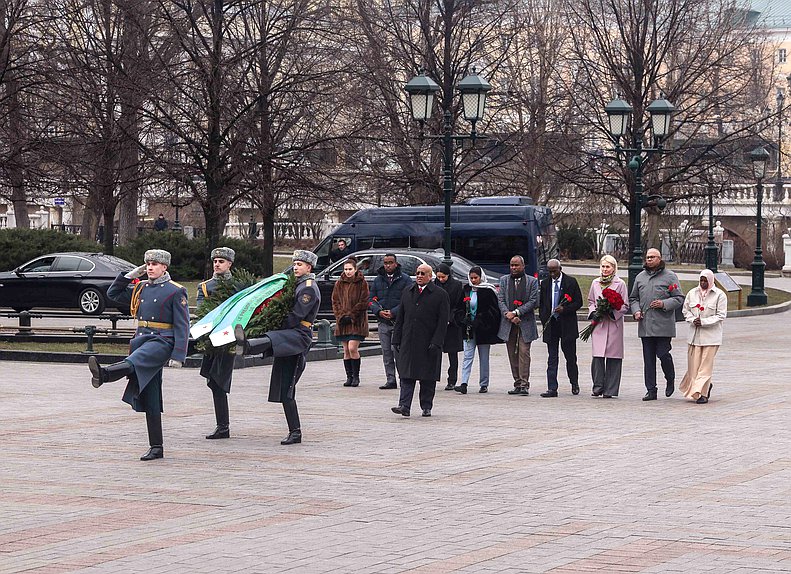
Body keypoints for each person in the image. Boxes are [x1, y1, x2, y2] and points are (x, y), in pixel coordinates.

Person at [89, 249, 190, 461]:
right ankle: (156, 447)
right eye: (148, 264)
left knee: (136, 360)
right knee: (150, 395)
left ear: (165, 267)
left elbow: (182, 325)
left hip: (162, 340)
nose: (150, 268)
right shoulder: (142, 287)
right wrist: (128, 276)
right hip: (142, 339)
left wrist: (179, 354)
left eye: (155, 264)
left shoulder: (175, 291)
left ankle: (106, 375)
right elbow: (112, 295)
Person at [234, 250, 321, 445]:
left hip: (298, 335)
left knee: (287, 388)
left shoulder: (308, 288)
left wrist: (271, 323)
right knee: (284, 390)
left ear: (309, 267)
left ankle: (247, 346)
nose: (296, 267)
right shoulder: (295, 285)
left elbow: (296, 315)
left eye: (300, 264)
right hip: (289, 335)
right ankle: (246, 345)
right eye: (295, 264)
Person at [391, 264, 449, 417]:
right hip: (408, 340)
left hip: (428, 342)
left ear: (430, 276)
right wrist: (396, 339)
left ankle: (426, 406)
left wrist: (436, 342)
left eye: (423, 273)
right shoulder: (408, 292)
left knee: (427, 377)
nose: (419, 276)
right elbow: (400, 318)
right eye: (417, 273)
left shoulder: (440, 294)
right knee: (406, 375)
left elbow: (443, 322)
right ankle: (404, 405)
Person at [629, 248, 685, 401]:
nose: (649, 260)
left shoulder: (670, 277)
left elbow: (679, 298)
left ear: (659, 259)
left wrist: (663, 303)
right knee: (648, 359)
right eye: (647, 257)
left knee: (663, 354)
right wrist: (636, 311)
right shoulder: (640, 277)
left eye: (652, 257)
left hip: (663, 325)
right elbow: (633, 298)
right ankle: (651, 390)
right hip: (645, 325)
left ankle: (670, 378)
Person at [196, 247, 238, 440]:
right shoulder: (205, 287)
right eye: (215, 261)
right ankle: (222, 426)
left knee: (219, 381)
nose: (217, 264)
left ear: (229, 264)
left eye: (221, 261)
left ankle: (223, 427)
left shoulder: (238, 286)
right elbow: (201, 312)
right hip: (210, 339)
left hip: (228, 338)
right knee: (212, 382)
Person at [679, 269, 727, 404]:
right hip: (694, 337)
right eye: (701, 280)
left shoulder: (719, 295)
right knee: (693, 367)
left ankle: (702, 393)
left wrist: (704, 322)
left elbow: (721, 315)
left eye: (706, 280)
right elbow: (686, 310)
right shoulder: (692, 293)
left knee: (705, 367)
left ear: (711, 281)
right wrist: (692, 319)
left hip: (711, 337)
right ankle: (702, 386)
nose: (703, 283)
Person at [587, 255, 630, 398]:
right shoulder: (595, 283)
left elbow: (625, 305)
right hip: (599, 324)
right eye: (603, 266)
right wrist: (594, 312)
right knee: (598, 356)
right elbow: (591, 301)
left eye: (608, 267)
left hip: (613, 324)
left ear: (614, 268)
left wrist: (612, 312)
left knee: (613, 356)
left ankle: (610, 389)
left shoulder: (620, 284)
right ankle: (597, 386)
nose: (605, 269)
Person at [538, 259, 582, 397]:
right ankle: (552, 388)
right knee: (552, 358)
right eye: (549, 271)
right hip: (551, 325)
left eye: (554, 271)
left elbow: (578, 302)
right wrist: (545, 318)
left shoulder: (571, 282)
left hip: (567, 325)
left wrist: (565, 309)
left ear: (560, 268)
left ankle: (574, 383)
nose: (552, 274)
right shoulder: (545, 284)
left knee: (570, 357)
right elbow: (542, 303)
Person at [369, 253, 413, 390]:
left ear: (395, 263)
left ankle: (403, 378)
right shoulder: (378, 280)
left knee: (397, 352)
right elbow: (371, 300)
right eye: (385, 263)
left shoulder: (405, 279)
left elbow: (408, 300)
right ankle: (390, 379)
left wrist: (393, 312)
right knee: (386, 352)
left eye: (390, 262)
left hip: (398, 322)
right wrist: (378, 311)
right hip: (382, 322)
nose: (387, 265)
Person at [456, 266, 502, 394]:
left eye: (476, 278)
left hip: (483, 329)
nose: (474, 280)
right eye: (471, 278)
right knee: (467, 356)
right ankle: (464, 382)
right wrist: (463, 319)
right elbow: (459, 307)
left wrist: (480, 320)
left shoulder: (488, 291)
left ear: (481, 277)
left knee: (484, 357)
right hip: (468, 329)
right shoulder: (466, 290)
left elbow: (493, 310)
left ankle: (484, 383)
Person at [498, 255, 539, 396]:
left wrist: (516, 312)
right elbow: (501, 300)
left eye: (516, 265)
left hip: (525, 323)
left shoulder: (532, 282)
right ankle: (516, 382)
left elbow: (534, 301)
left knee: (524, 353)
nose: (513, 268)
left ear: (523, 266)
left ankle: (524, 384)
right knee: (512, 353)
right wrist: (508, 314)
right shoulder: (504, 280)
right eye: (511, 265)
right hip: (508, 323)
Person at [331, 256, 370, 387]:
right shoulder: (339, 283)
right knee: (346, 350)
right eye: (346, 269)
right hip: (342, 322)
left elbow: (364, 301)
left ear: (355, 269)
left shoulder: (362, 282)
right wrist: (341, 316)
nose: (348, 272)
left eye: (350, 269)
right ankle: (349, 376)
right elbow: (335, 301)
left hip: (357, 321)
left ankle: (356, 376)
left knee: (352, 347)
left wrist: (352, 315)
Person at [434, 263, 465, 391]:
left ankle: (452, 380)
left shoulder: (456, 286)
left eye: (443, 277)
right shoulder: (434, 285)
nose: (441, 279)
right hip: (436, 323)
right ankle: (432, 377)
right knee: (435, 352)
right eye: (439, 277)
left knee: (452, 353)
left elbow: (459, 305)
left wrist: (450, 318)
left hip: (452, 324)